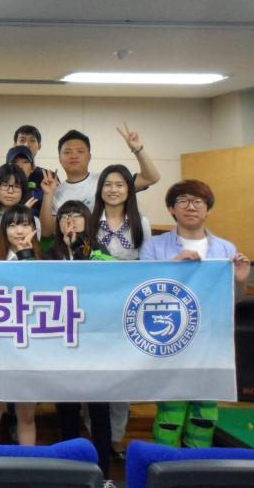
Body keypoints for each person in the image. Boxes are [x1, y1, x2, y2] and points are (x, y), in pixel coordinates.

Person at [140, 180, 251, 449]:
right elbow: (142, 291)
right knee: (171, 411)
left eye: (198, 201)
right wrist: (172, 267)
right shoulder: (154, 246)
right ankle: (164, 464)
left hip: (211, 341)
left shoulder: (225, 249)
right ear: (171, 209)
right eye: (183, 201)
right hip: (170, 338)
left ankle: (198, 464)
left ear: (208, 209)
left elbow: (234, 298)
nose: (191, 207)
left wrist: (239, 281)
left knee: (205, 414)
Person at [46, 201, 113, 478]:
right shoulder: (50, 255)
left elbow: (113, 278)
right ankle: (71, 473)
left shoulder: (100, 252)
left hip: (96, 344)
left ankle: (104, 474)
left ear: (87, 220)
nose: (70, 220)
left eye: (76, 215)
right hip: (61, 344)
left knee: (99, 411)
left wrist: (80, 248)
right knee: (67, 411)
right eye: (64, 215)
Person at [89, 164, 152, 457]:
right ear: (100, 189)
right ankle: (94, 435)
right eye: (107, 184)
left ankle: (115, 438)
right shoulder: (90, 221)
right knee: (91, 374)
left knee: (121, 377)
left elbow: (149, 266)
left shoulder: (141, 223)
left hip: (127, 310)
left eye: (119, 184)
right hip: (93, 309)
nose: (113, 189)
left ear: (129, 190)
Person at [0, 205, 41, 447]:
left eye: (25, 224)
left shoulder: (44, 262)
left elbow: (38, 290)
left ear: (34, 228)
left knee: (26, 415)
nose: (19, 231)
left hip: (31, 349)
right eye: (12, 225)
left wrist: (26, 254)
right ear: (3, 230)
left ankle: (29, 465)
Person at [40, 124, 160, 237]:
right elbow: (46, 232)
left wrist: (138, 150)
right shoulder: (55, 193)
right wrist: (48, 195)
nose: (74, 156)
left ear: (89, 156)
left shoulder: (107, 180)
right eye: (67, 152)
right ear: (60, 159)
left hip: (112, 246)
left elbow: (150, 178)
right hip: (74, 249)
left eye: (80, 151)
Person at [0, 164, 39, 255]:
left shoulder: (33, 221)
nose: (10, 191)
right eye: (5, 185)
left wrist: (21, 216)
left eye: (16, 186)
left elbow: (32, 255)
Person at [6, 146, 42, 217]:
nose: (20, 166)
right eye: (14, 162)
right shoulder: (0, 191)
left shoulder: (39, 194)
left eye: (25, 162)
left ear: (33, 167)